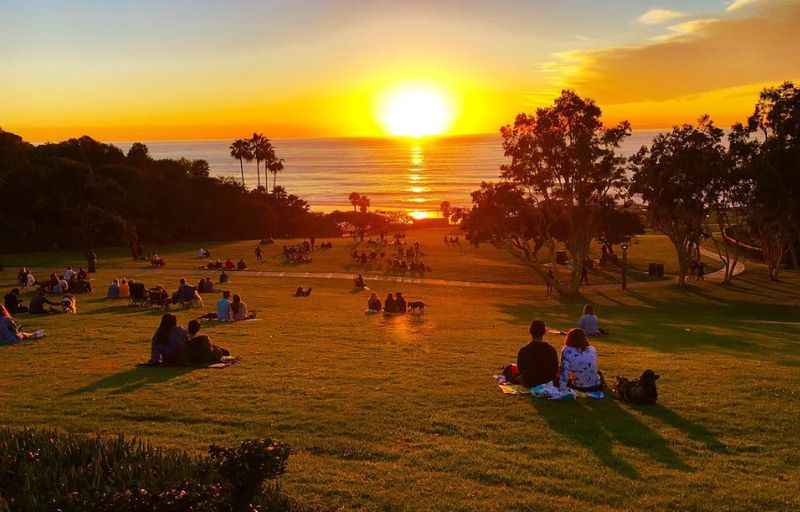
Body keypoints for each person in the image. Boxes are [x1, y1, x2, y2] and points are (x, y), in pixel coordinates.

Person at [516, 320, 559, 387]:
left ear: (530, 331)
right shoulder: (551, 350)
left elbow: (520, 370)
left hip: (529, 381)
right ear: (544, 332)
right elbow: (555, 370)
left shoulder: (524, 350)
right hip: (547, 381)